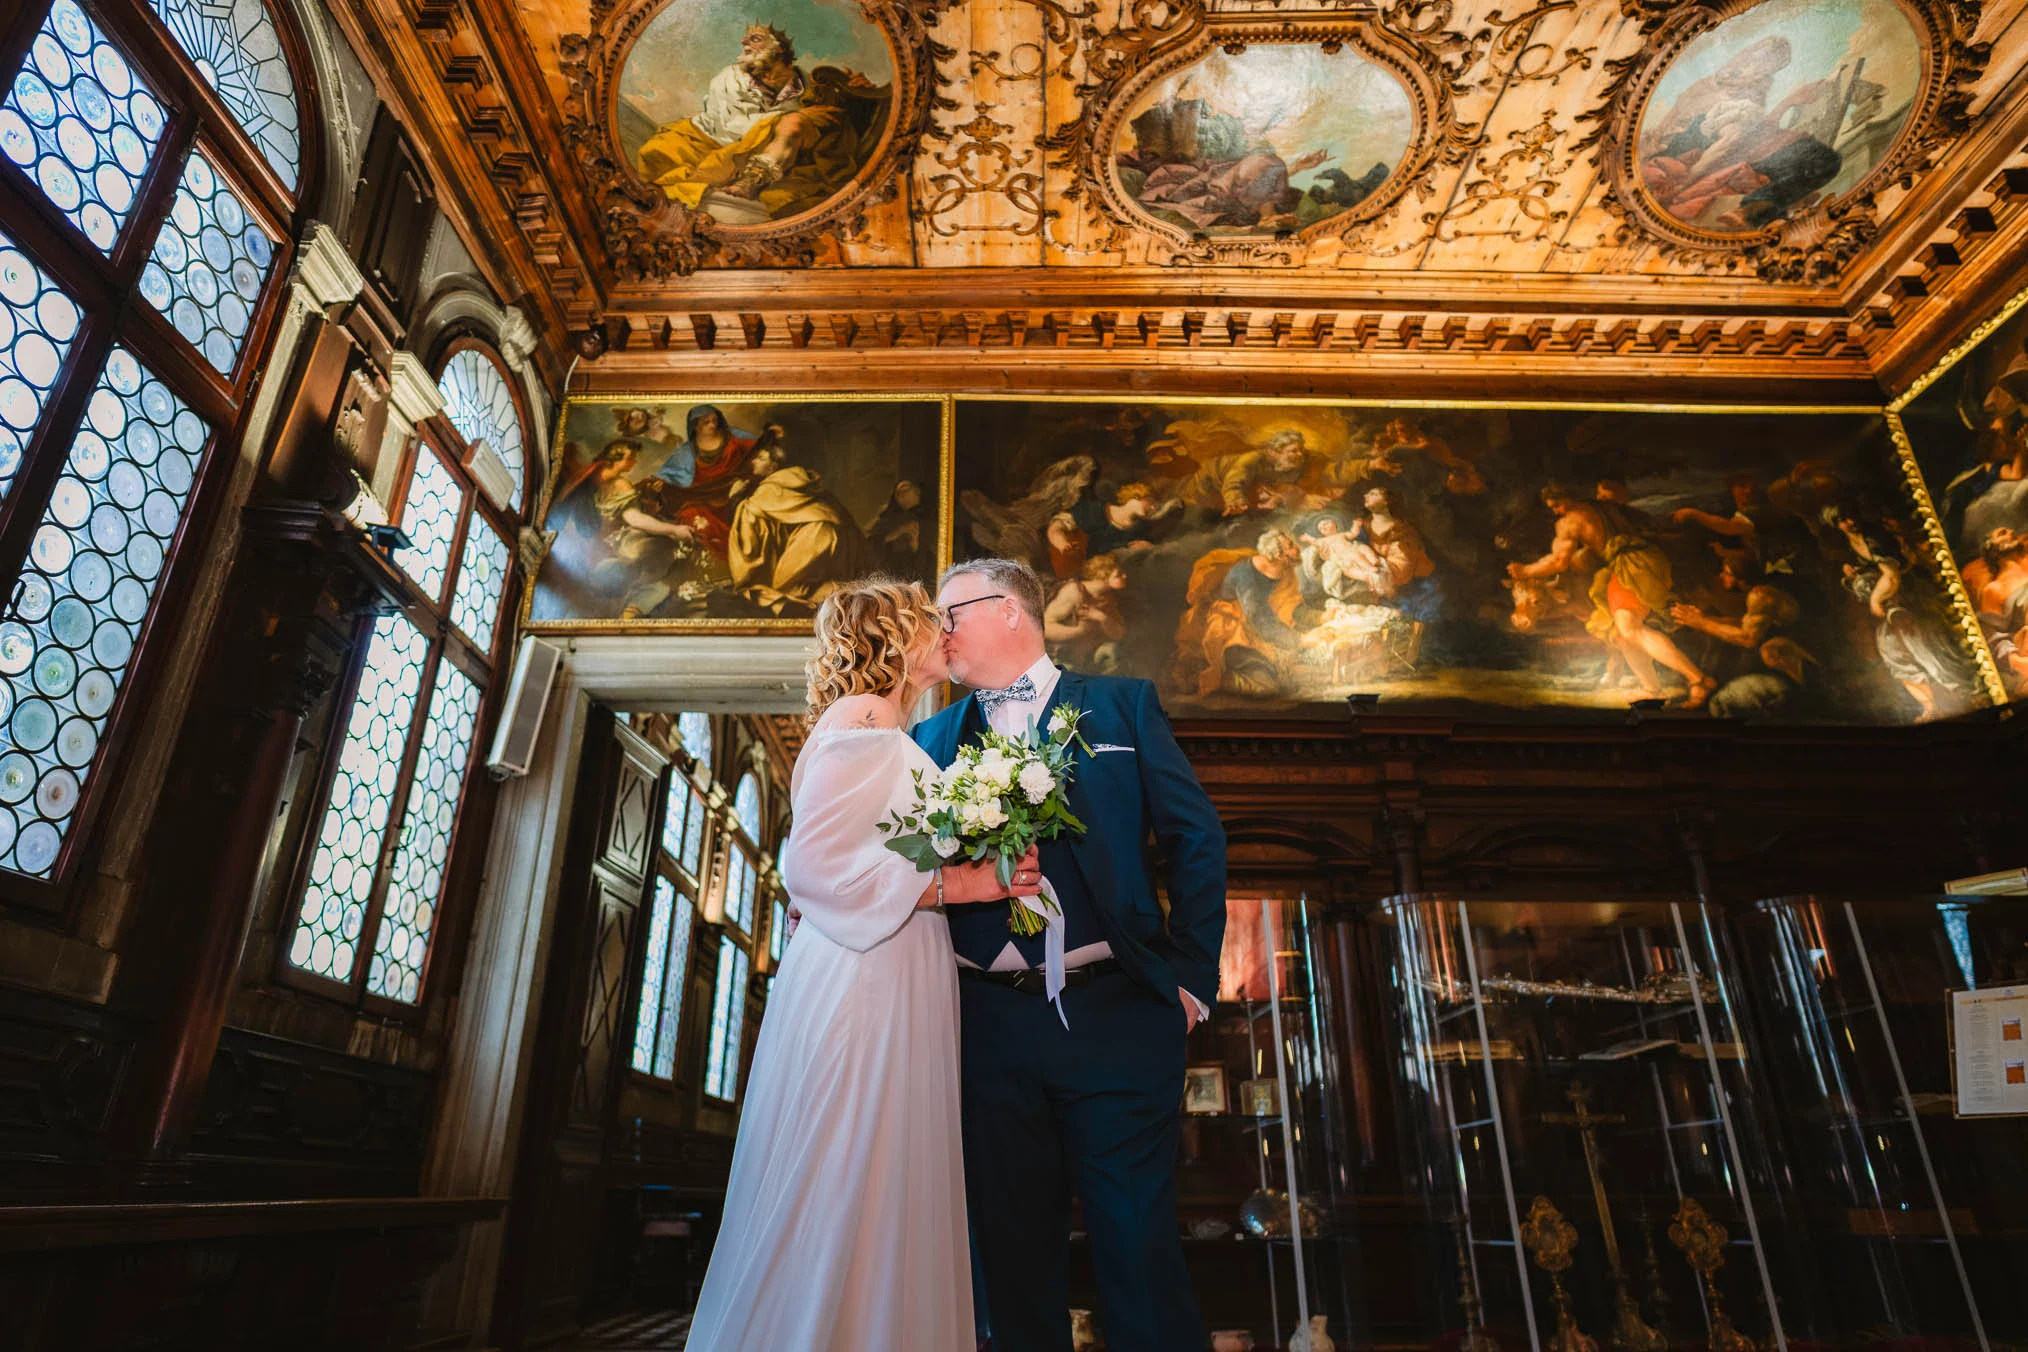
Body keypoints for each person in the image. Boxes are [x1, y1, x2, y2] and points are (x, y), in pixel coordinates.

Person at [684, 577, 1041, 1352]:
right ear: (891, 640)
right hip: (865, 973)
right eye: (928, 623)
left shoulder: (889, 725)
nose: (944, 634)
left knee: (876, 1166)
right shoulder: (867, 715)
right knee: (849, 1161)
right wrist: (963, 883)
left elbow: (857, 856)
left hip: (893, 960)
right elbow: (815, 869)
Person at [915, 557, 1227, 1352]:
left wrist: (1191, 980)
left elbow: (1196, 837)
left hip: (1117, 1011)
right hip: (985, 1025)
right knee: (1010, 1251)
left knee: (1137, 1245)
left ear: (1013, 611)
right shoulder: (928, 739)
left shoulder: (1122, 708)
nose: (937, 631)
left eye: (950, 612)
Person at [634, 24, 885, 219]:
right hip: (707, 139)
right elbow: (731, 127)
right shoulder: (730, 77)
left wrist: (858, 89)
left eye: (755, 38)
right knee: (655, 156)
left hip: (756, 148)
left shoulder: (808, 86)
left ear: (779, 51)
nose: (744, 42)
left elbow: (826, 119)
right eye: (746, 39)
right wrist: (787, 119)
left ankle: (752, 183)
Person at [725, 441, 875, 615]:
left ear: (773, 465)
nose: (753, 462)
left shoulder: (770, 487)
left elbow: (750, 522)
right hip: (834, 539)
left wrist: (735, 500)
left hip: (815, 538)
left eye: (760, 458)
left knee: (782, 591)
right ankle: (835, 593)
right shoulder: (803, 481)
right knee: (804, 590)